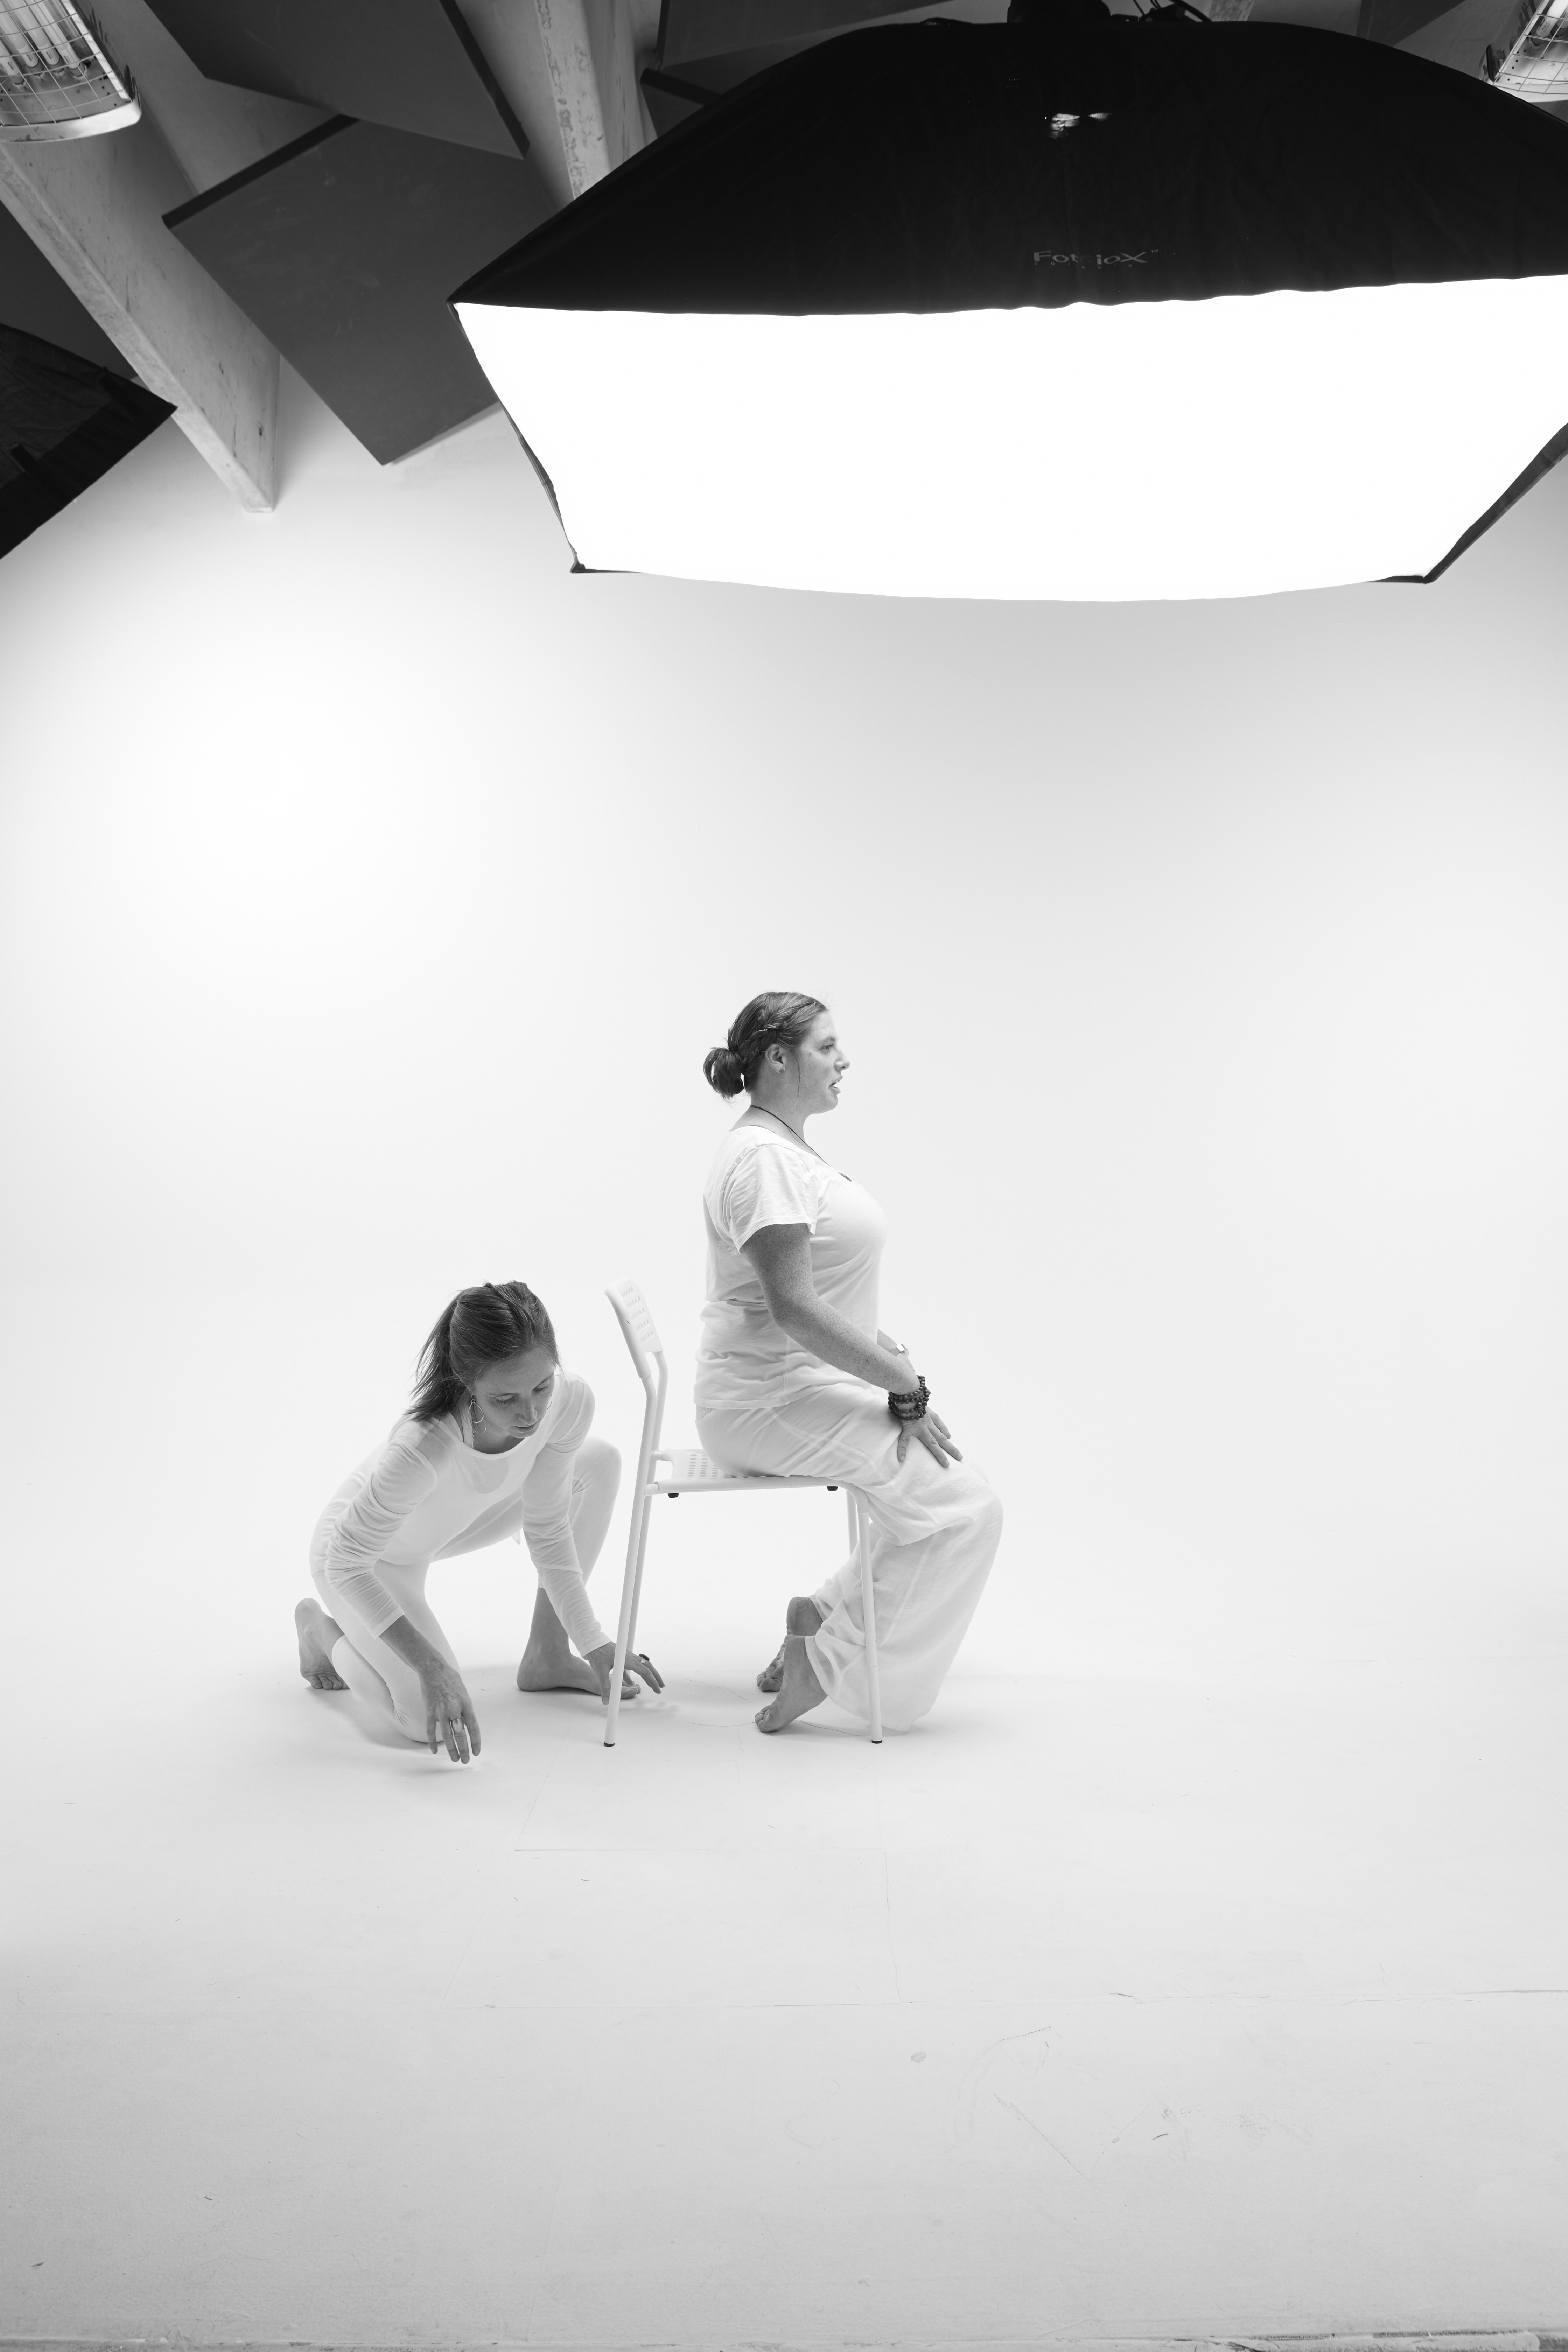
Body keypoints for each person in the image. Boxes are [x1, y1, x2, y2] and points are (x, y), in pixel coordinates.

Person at [696, 993, 1003, 1735]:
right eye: (827, 1046)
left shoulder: (779, 1150)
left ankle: (821, 1619)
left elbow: (817, 1293)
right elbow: (792, 1309)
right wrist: (903, 1385)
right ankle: (828, 1661)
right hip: (764, 1401)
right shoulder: (763, 1161)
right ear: (778, 1058)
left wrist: (883, 1349)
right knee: (964, 1512)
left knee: (939, 1506)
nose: (843, 1060)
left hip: (788, 1388)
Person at [294, 1279, 662, 1763]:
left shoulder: (571, 1402)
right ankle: (322, 1632)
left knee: (598, 1462)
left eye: (541, 1386)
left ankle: (548, 1655)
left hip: (456, 1520)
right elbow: (347, 1561)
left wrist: (593, 1640)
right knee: (423, 1722)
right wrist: (431, 1666)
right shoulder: (423, 1447)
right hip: (368, 1559)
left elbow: (548, 1529)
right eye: (505, 1400)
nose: (530, 1412)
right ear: (467, 1383)